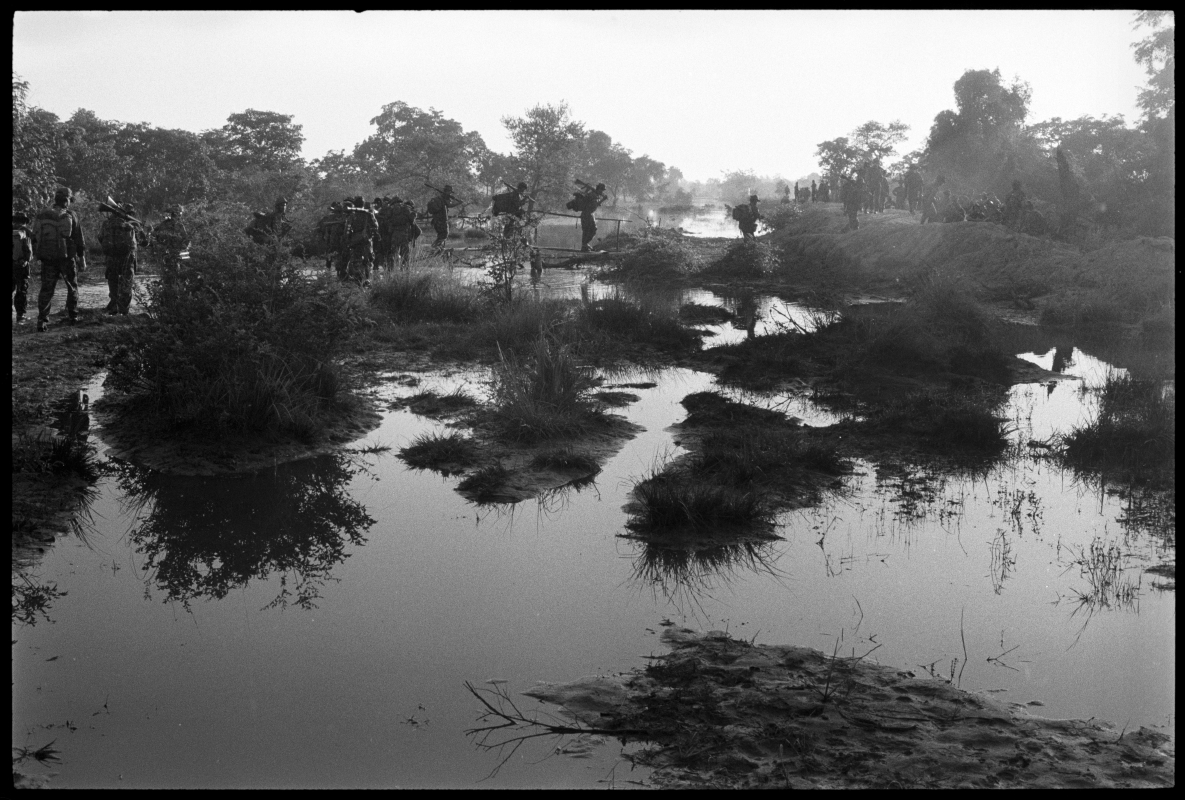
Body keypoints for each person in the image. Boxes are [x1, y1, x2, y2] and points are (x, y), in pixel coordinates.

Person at [33, 188, 87, 332]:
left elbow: (35, 236)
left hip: (48, 258)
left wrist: (36, 255)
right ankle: (73, 316)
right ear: (67, 200)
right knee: (72, 287)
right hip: (66, 258)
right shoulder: (71, 215)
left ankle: (42, 321)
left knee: (46, 289)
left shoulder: (43, 215)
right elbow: (79, 240)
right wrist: (82, 258)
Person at [98, 203, 139, 315]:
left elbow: (100, 238)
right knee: (126, 284)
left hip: (111, 258)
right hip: (127, 259)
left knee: (113, 283)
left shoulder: (106, 224)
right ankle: (124, 311)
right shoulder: (132, 225)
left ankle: (114, 307)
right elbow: (143, 242)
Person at [342, 200, 378, 284]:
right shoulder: (369, 214)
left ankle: (357, 278)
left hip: (355, 239)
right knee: (368, 259)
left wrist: (347, 239)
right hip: (366, 240)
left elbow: (347, 229)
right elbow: (375, 226)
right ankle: (368, 278)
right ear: (363, 204)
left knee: (356, 258)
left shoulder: (352, 215)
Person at [316, 202, 349, 275]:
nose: (337, 213)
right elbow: (323, 228)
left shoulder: (345, 217)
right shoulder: (330, 218)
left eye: (339, 212)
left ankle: (339, 271)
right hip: (333, 240)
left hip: (340, 240)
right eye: (336, 212)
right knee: (331, 256)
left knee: (339, 256)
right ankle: (330, 270)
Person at [426, 185, 461, 252]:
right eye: (450, 192)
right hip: (441, 221)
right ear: (447, 191)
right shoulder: (444, 198)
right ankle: (435, 248)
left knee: (441, 235)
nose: (450, 194)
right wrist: (458, 203)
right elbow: (449, 205)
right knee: (444, 235)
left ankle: (437, 248)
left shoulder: (439, 198)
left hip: (436, 221)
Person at [12, 212, 33, 324]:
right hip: (21, 265)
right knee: (21, 290)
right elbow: (31, 247)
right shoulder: (26, 231)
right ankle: (20, 316)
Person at [577, 182, 608, 252]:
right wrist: (603, 200)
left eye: (603, 190)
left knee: (589, 230)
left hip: (589, 214)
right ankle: (584, 245)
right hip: (587, 214)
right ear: (598, 189)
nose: (602, 192)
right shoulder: (593, 195)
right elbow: (594, 205)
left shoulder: (595, 195)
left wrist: (601, 199)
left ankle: (585, 245)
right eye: (601, 190)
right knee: (590, 230)